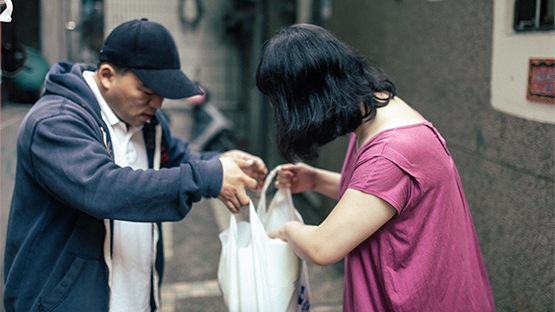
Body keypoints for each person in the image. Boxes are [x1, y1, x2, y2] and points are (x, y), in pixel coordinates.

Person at [3, 18, 267, 311]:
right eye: (146, 90)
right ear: (106, 76)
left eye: (163, 92)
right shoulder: (55, 122)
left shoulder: (148, 122)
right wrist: (207, 176)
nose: (157, 103)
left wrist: (222, 162)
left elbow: (179, 158)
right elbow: (104, 188)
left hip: (135, 297)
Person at [257, 24, 495, 311]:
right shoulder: (378, 113)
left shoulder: (390, 152)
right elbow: (383, 200)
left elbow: (323, 247)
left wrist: (286, 230)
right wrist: (316, 180)